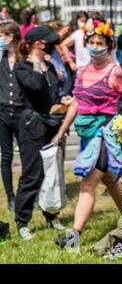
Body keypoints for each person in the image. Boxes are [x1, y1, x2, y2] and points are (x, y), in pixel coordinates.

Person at [53, 19, 122, 248]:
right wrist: (61, 132)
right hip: (86, 134)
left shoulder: (116, 72)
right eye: (91, 42)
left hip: (105, 135)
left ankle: (73, 237)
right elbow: (75, 104)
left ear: (109, 45)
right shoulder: (82, 71)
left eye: (99, 42)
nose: (94, 46)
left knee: (87, 183)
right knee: (111, 182)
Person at [14, 26, 65, 240]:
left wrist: (64, 101)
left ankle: (51, 215)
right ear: (37, 44)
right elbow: (34, 86)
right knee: (32, 175)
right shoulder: (22, 67)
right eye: (47, 43)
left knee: (51, 174)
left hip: (51, 125)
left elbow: (56, 91)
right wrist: (37, 62)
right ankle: (22, 221)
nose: (51, 47)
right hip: (31, 127)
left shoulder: (50, 66)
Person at [0, 22, 23, 211]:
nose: (2, 38)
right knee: (6, 156)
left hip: (21, 112)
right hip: (3, 113)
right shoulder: (0, 57)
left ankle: (27, 193)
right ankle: (10, 197)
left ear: (13, 36)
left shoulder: (23, 58)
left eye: (4, 35)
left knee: (27, 155)